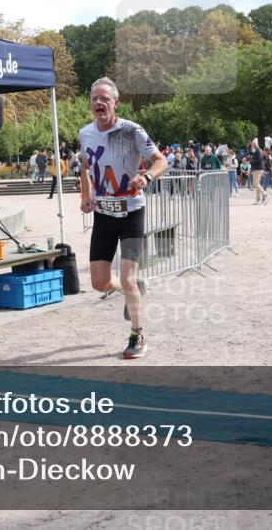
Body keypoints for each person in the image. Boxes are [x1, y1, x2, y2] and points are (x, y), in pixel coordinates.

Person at [78, 77, 168, 359]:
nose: (99, 103)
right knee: (99, 283)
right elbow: (85, 166)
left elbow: (161, 160)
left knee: (127, 277)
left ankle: (137, 336)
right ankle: (134, 288)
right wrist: (85, 194)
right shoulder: (86, 133)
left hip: (131, 213)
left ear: (115, 103)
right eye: (95, 99)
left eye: (105, 99)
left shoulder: (131, 131)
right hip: (104, 216)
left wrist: (147, 176)